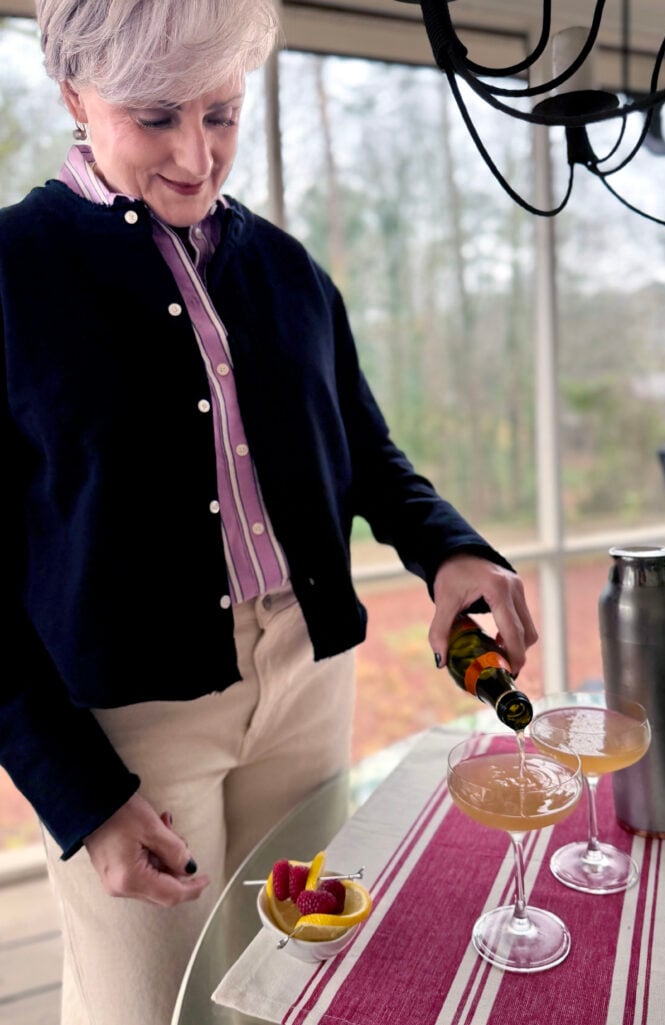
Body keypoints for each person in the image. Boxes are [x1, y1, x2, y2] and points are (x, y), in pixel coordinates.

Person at [0, 1, 538, 1022]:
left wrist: (452, 550)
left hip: (307, 682)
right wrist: (79, 795)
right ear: (74, 95)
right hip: (130, 722)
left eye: (223, 113)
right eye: (156, 116)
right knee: (151, 1009)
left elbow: (370, 458)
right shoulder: (11, 274)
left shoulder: (288, 270)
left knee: (295, 982)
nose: (197, 157)